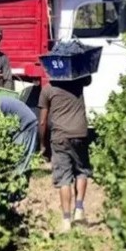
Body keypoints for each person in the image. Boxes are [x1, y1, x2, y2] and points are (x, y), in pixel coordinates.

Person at [38, 76, 93, 233]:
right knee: (81, 171)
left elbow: (42, 122)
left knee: (64, 179)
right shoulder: (78, 82)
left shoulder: (47, 89)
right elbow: (88, 79)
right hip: (80, 133)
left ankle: (66, 221)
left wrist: (42, 144)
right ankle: (79, 209)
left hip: (60, 137)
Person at [0, 96, 39, 175]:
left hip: (28, 124)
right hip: (26, 122)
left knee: (21, 155)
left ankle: (18, 178)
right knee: (18, 153)